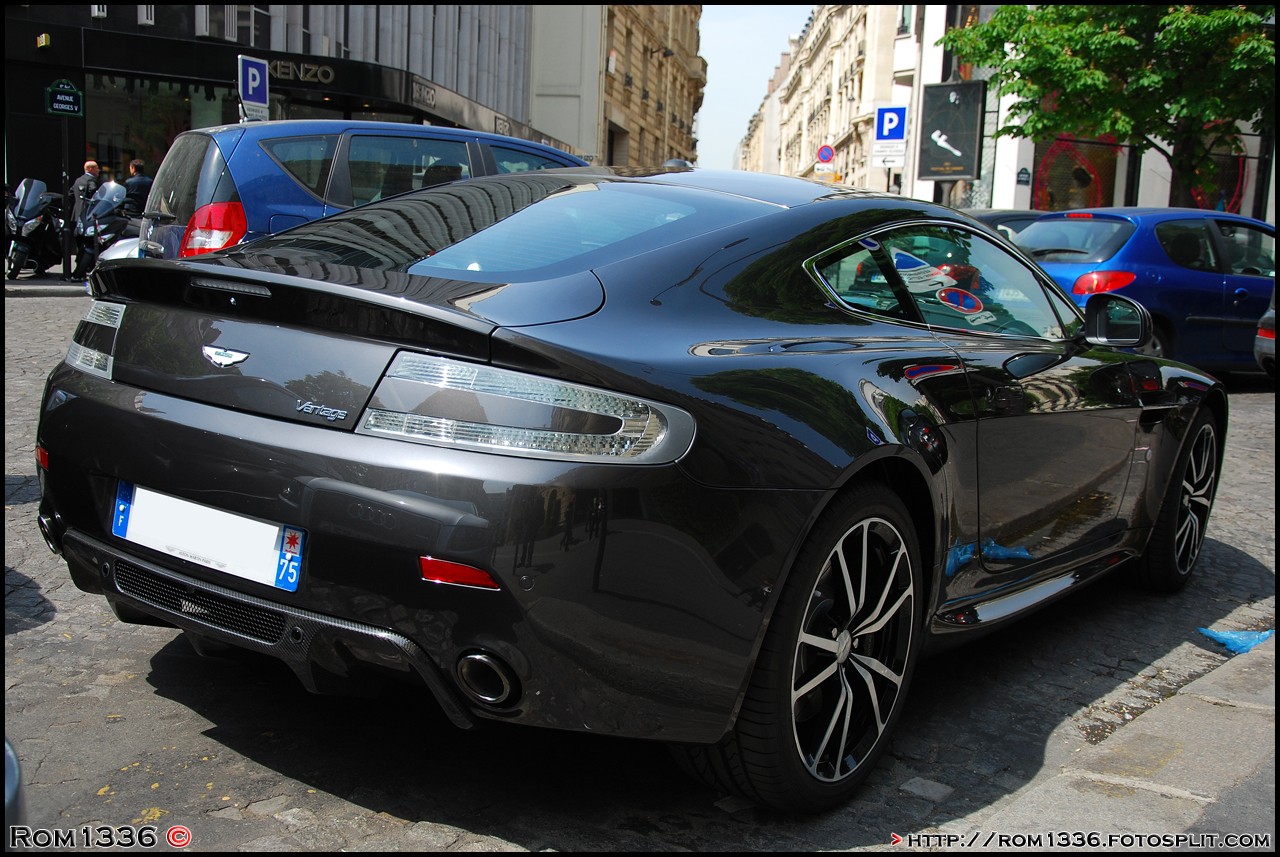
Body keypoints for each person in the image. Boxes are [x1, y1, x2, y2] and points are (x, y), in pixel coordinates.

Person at [69, 160, 100, 279]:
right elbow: (94, 194)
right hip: (87, 215)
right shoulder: (91, 181)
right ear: (91, 169)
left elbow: (70, 194)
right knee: (88, 243)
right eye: (97, 168)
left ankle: (79, 269)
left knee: (80, 244)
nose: (99, 170)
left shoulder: (78, 180)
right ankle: (82, 269)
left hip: (76, 215)